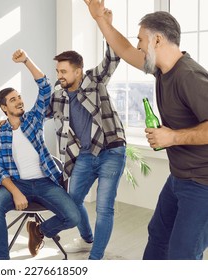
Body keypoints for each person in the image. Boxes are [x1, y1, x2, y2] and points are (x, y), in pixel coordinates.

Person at [85, 0, 208, 259]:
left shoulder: (190, 77)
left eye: (142, 39)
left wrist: (172, 136)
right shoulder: (163, 70)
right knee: (158, 237)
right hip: (179, 178)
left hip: (202, 184)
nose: (139, 44)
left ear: (158, 40)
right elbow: (126, 49)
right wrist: (101, 21)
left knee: (182, 254)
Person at [41, 9, 126, 260]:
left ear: (78, 71)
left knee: (104, 208)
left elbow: (113, 56)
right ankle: (87, 239)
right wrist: (12, 119)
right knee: (72, 202)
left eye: (64, 71)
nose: (59, 76)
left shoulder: (94, 80)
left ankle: (95, 259)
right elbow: (39, 114)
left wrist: (106, 25)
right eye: (58, 71)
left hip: (111, 149)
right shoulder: (59, 92)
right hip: (86, 156)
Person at [0, 49, 80, 260]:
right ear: (4, 107)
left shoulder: (33, 119)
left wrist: (27, 61)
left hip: (45, 182)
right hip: (17, 184)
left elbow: (45, 88)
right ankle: (0, 263)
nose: (19, 101)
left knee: (73, 216)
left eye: (19, 97)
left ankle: (39, 231)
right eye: (13, 100)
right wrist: (15, 192)